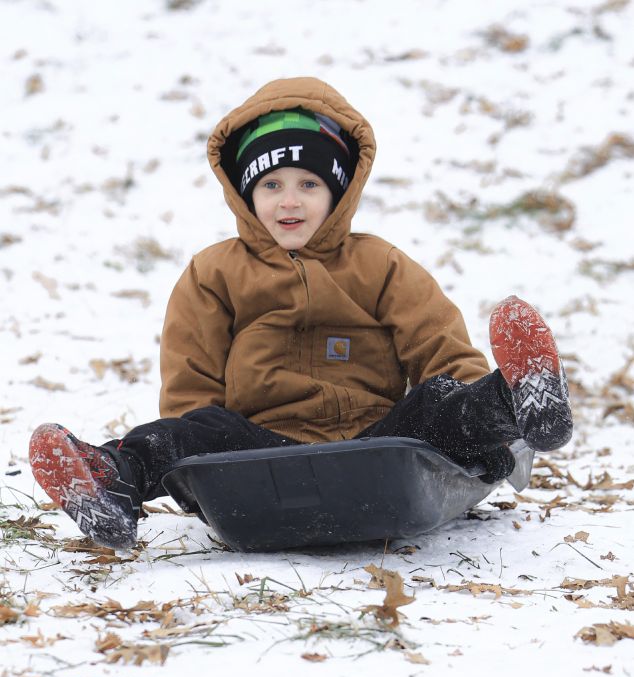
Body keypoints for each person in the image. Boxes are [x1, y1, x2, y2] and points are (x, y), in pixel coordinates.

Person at [28, 77, 573, 549]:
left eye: (309, 184)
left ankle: (517, 402)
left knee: (437, 399)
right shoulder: (214, 274)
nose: (290, 201)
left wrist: (469, 411)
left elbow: (440, 348)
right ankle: (110, 480)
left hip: (379, 449)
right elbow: (190, 383)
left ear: (338, 191)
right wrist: (201, 485)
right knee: (197, 428)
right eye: (272, 185)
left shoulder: (380, 265)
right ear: (246, 193)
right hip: (259, 458)